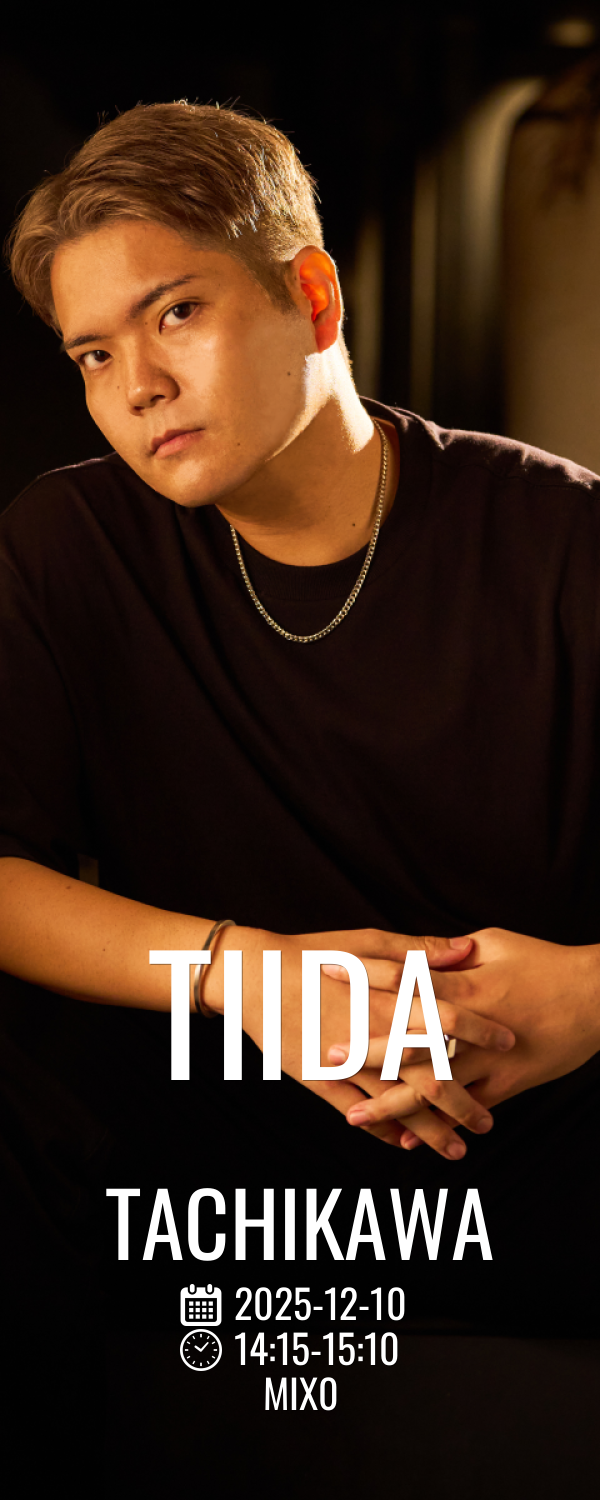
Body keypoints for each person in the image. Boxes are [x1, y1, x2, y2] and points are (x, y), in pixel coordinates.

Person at [2, 101, 600, 1358]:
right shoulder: (67, 546)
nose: (138, 386)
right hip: (210, 1134)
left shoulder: (567, 540)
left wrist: (593, 994)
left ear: (313, 297)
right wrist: (242, 973)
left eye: (176, 313)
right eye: (93, 355)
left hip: (531, 1112)